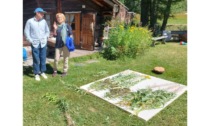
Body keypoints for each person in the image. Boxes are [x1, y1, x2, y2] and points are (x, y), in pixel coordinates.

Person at [24, 7, 50, 81]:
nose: (43, 15)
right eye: (42, 13)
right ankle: (36, 73)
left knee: (43, 58)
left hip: (43, 43)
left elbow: (47, 31)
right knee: (36, 59)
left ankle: (42, 72)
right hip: (35, 43)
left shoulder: (44, 21)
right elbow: (26, 32)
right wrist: (31, 40)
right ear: (37, 13)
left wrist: (46, 37)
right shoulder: (30, 21)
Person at [52, 13, 73, 77]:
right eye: (58, 18)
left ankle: (65, 71)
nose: (59, 19)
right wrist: (55, 28)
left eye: (60, 17)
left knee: (65, 58)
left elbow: (71, 35)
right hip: (58, 45)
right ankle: (55, 71)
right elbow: (54, 35)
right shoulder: (56, 26)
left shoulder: (67, 26)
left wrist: (70, 44)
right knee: (56, 59)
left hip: (66, 45)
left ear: (63, 18)